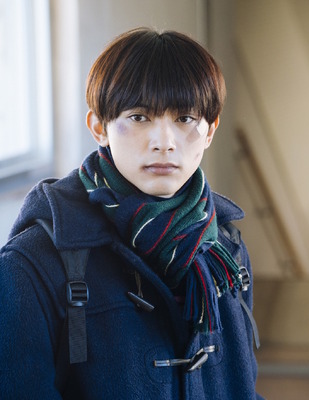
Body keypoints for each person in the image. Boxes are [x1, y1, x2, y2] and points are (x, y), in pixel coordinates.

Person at [0, 27, 263, 399]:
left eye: (185, 118)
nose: (164, 142)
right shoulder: (33, 263)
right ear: (99, 127)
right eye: (140, 117)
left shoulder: (225, 245)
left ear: (210, 131)